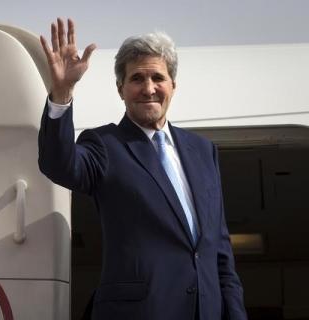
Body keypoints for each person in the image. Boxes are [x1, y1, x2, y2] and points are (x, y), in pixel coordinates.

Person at [38, 18, 247, 320]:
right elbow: (59, 165)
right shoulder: (105, 144)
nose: (149, 89)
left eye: (157, 78)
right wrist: (62, 94)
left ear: (173, 85)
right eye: (137, 79)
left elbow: (219, 250)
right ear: (120, 88)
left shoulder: (203, 151)